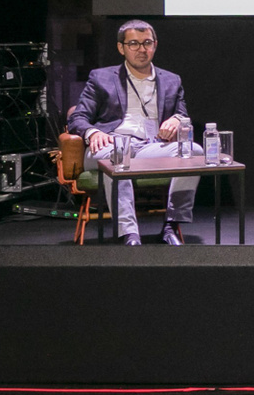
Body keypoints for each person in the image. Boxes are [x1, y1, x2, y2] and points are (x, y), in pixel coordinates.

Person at [68, 20, 199, 245]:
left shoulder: (171, 80)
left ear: (155, 45)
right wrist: (92, 132)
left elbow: (183, 115)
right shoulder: (101, 78)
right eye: (134, 44)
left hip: (150, 146)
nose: (141, 49)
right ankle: (129, 233)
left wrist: (177, 120)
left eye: (147, 43)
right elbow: (77, 117)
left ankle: (172, 224)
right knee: (119, 156)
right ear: (121, 48)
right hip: (110, 146)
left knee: (194, 152)